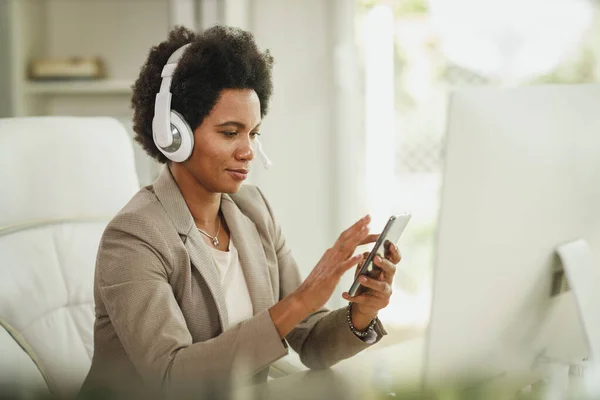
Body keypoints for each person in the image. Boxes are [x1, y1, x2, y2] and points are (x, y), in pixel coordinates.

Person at [79, 25, 401, 398]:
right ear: (173, 134)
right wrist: (300, 300)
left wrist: (361, 312)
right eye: (230, 133)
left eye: (254, 133)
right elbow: (171, 376)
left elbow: (309, 340)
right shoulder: (134, 236)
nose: (248, 151)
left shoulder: (254, 211)